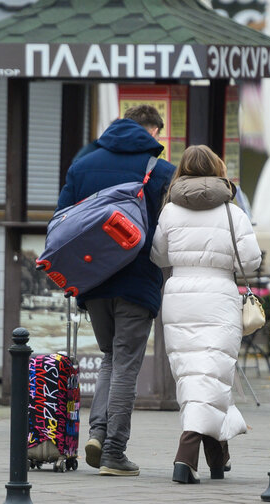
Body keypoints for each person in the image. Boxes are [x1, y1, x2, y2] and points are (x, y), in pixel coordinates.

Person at [58, 104, 175, 476]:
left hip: (93, 279)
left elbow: (62, 221)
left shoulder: (81, 166)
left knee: (110, 356)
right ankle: (113, 451)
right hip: (137, 278)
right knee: (126, 362)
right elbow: (169, 229)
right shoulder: (160, 170)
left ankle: (97, 433)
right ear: (150, 131)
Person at [150, 145, 262, 484]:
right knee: (212, 373)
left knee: (196, 376)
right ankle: (185, 458)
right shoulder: (232, 213)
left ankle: (217, 456)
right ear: (218, 170)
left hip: (179, 297)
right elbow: (251, 262)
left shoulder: (170, 211)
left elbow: (158, 256)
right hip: (219, 297)